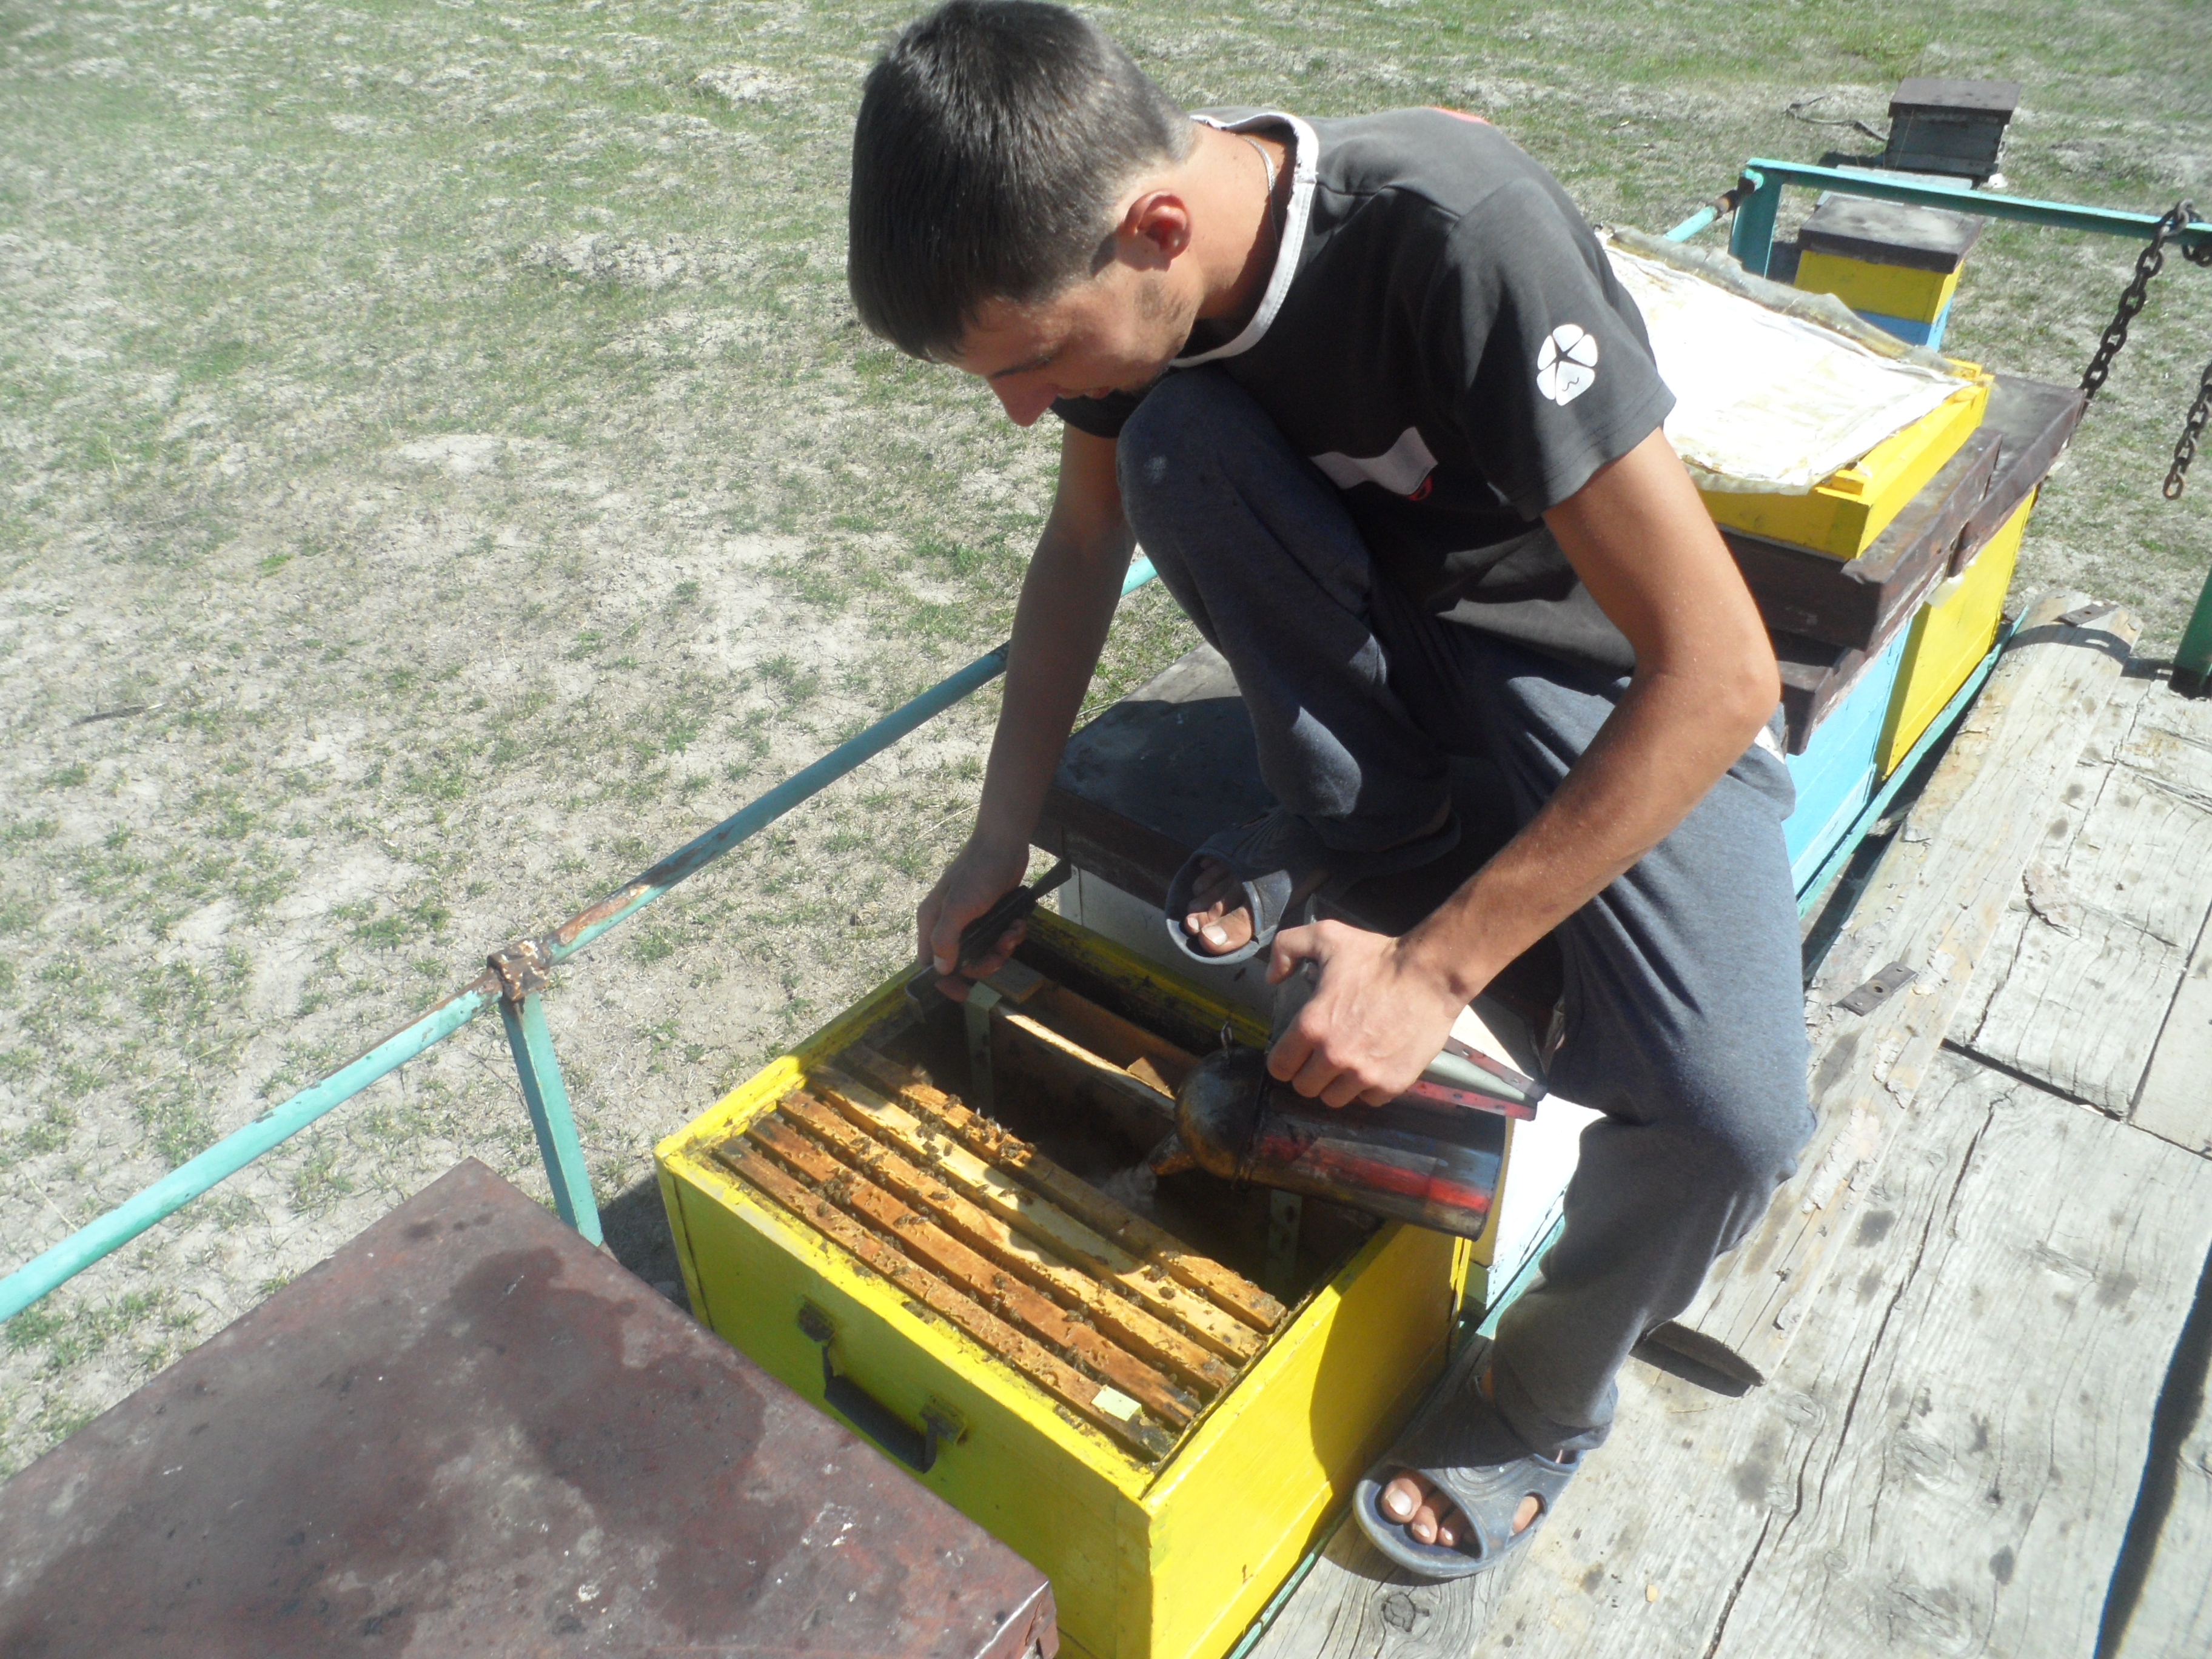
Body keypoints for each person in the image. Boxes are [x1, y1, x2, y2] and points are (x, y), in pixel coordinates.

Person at [848, 0, 1813, 1581]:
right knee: (1171, 447)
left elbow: (1717, 672)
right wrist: (995, 837)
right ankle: (1374, 840)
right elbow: (1084, 545)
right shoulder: (1133, 269)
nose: (1022, 409)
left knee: (1734, 1120)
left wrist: (1435, 975)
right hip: (1386, 656)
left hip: (1585, 666)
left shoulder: (1458, 241)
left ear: (1159, 229)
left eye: (1029, 362)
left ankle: (1540, 1398)